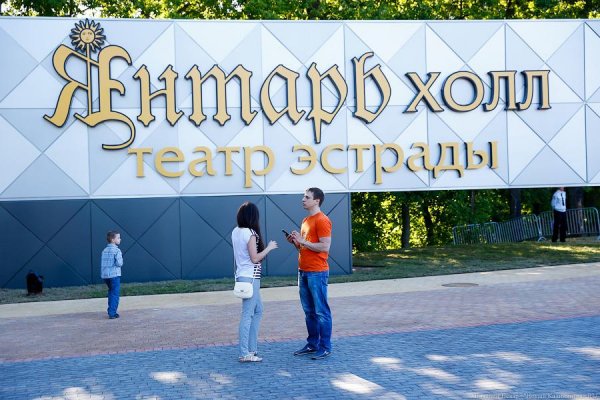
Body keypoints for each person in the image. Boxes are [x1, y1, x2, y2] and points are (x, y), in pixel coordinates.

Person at [287, 187, 333, 360]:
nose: (303, 199)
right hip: (303, 271)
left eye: (307, 197)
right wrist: (295, 242)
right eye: (303, 197)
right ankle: (312, 344)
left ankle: (325, 347)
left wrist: (303, 241)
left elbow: (325, 247)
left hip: (317, 272)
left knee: (321, 311)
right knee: (309, 312)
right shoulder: (306, 220)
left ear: (317, 201)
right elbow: (304, 247)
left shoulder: (322, 220)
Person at [232, 202, 278, 363]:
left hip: (242, 276)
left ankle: (251, 349)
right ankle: (245, 353)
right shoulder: (250, 233)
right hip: (251, 278)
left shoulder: (236, 231)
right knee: (248, 314)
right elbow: (255, 258)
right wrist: (269, 247)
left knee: (258, 310)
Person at [101, 231, 123, 319]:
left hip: (105, 276)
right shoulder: (117, 250)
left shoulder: (104, 250)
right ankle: (112, 313)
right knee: (115, 294)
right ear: (113, 240)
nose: (120, 239)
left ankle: (110, 310)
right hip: (114, 275)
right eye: (118, 238)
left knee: (111, 292)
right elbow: (119, 263)